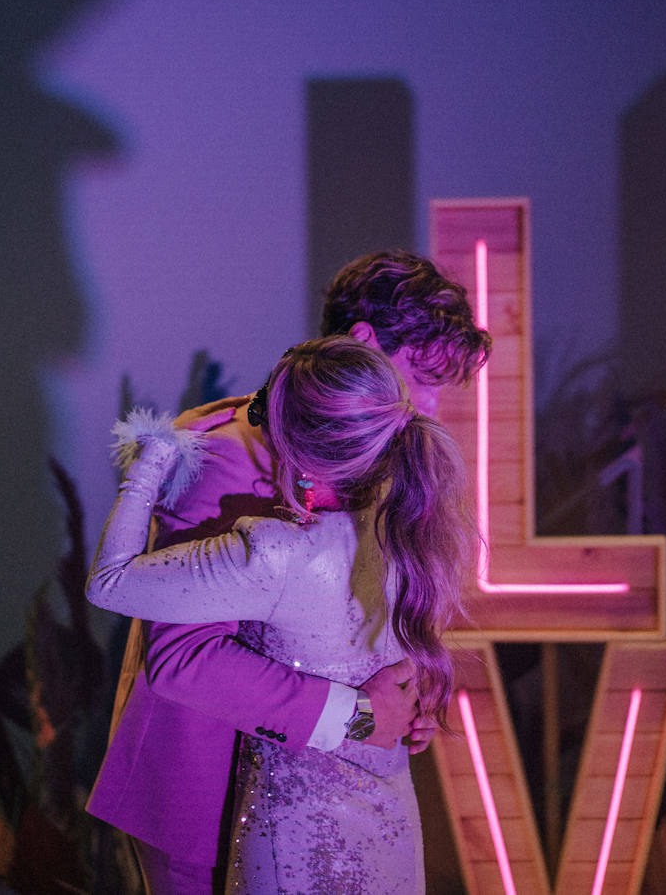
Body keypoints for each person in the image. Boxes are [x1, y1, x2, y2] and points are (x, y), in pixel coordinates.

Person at [87, 250, 490, 893]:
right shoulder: (225, 449)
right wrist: (359, 715)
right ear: (363, 342)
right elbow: (185, 659)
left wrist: (400, 693)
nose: (433, 405)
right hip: (208, 798)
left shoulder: (382, 456)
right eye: (422, 373)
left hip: (333, 800)